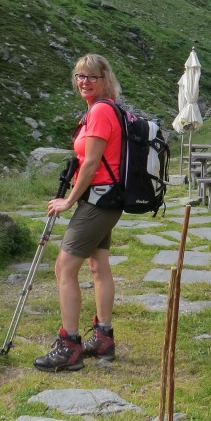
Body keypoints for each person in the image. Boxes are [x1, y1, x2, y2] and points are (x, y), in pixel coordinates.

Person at [34, 54, 123, 372]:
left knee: (64, 268)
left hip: (97, 201)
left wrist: (68, 200)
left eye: (91, 76)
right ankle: (103, 339)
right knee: (98, 265)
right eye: (79, 76)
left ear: (104, 79)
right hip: (106, 198)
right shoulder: (104, 108)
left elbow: (92, 161)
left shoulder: (100, 111)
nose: (84, 81)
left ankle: (69, 347)